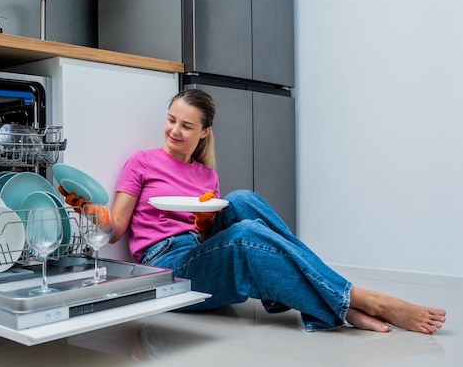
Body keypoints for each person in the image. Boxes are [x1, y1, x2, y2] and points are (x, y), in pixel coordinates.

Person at [64, 89, 446, 334]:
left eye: (186, 125)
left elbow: (206, 237)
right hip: (164, 265)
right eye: (171, 120)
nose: (175, 131)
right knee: (245, 235)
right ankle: (358, 301)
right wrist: (96, 215)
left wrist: (204, 225)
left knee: (242, 199)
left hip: (198, 251)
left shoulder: (206, 174)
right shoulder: (142, 162)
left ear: (204, 133)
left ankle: (337, 301)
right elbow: (116, 230)